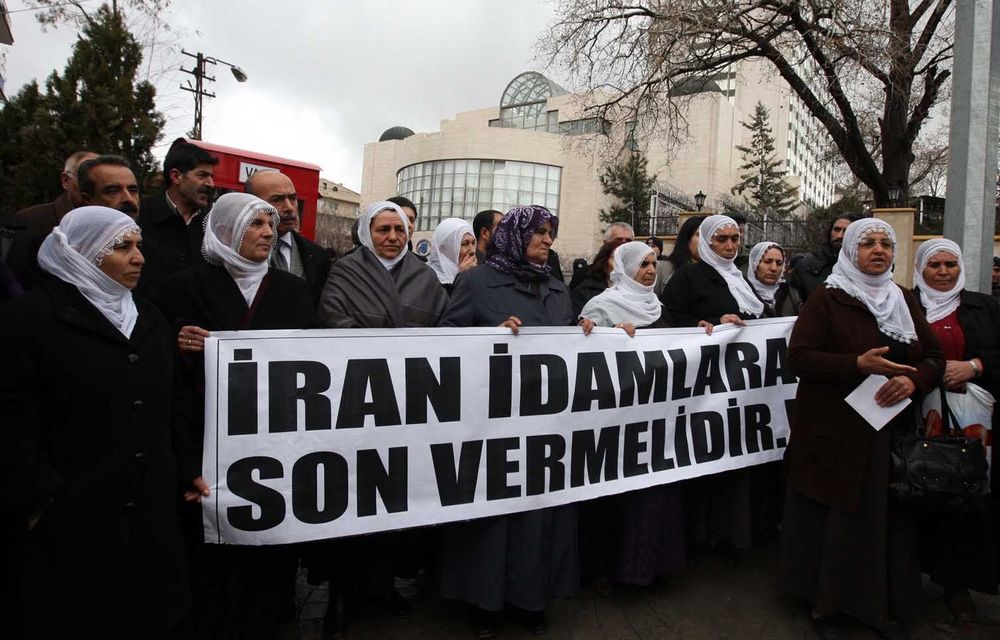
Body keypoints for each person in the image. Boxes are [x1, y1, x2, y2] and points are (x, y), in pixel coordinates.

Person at [0, 206, 190, 638]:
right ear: (82, 253)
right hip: (69, 521)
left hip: (148, 519)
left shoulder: (150, 318)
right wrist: (37, 500)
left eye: (139, 245)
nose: (139, 257)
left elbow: (169, 406)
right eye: (123, 247)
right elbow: (12, 420)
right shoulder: (28, 320)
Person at [154, 193, 314, 640]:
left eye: (270, 223)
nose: (268, 231)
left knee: (271, 556)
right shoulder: (182, 288)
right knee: (212, 562)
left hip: (274, 445)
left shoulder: (292, 291)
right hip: (204, 443)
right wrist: (174, 339)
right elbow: (156, 370)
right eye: (255, 224)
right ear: (225, 231)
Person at [780, 218, 944, 639]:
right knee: (837, 522)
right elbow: (797, 358)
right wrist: (855, 364)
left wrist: (914, 380)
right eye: (868, 243)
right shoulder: (828, 299)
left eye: (885, 244)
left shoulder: (903, 298)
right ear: (850, 250)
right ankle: (830, 606)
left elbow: (935, 356)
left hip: (889, 431)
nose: (879, 250)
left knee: (884, 521)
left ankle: (882, 604)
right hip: (836, 433)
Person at [439, 205, 594, 638]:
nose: (548, 240)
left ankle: (530, 597)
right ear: (514, 235)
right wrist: (486, 337)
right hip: (492, 426)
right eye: (540, 232)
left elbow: (566, 340)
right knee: (492, 519)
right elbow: (446, 342)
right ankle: (483, 602)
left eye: (551, 233)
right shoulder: (474, 281)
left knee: (538, 517)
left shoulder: (557, 289)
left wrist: (591, 330)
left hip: (546, 428)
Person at [578, 241, 686, 587]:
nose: (651, 271)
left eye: (654, 263)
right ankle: (617, 570)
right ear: (624, 267)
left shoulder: (659, 306)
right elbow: (581, 350)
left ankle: (655, 565)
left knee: (656, 497)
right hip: (618, 425)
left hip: (658, 424)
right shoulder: (602, 305)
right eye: (643, 264)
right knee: (622, 500)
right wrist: (610, 337)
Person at [661, 215, 764, 558]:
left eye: (735, 239)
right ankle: (699, 538)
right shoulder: (688, 277)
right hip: (702, 392)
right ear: (706, 242)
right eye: (721, 239)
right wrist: (708, 325)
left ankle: (729, 535)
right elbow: (670, 324)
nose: (731, 246)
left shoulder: (741, 280)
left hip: (740, 391)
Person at [911, 239, 1000, 622]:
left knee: (963, 499)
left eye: (950, 264)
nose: (944, 272)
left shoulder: (984, 307)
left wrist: (975, 367)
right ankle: (904, 580)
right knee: (912, 492)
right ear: (920, 269)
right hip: (914, 420)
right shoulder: (901, 306)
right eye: (934, 265)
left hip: (971, 426)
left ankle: (957, 586)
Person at [319, 201, 447, 328]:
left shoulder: (425, 276)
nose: (392, 237)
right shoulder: (346, 271)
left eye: (399, 230)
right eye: (383, 230)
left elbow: (444, 324)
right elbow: (332, 316)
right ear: (367, 233)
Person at [245, 170, 333, 304]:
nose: (289, 207)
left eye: (292, 198)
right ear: (251, 203)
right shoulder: (234, 251)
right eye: (277, 200)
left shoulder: (318, 257)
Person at [138, 138, 218, 274]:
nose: (210, 184)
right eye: (202, 175)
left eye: (211, 176)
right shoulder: (140, 216)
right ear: (176, 176)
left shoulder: (213, 224)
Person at [14, 150, 97, 237]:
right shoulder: (29, 221)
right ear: (65, 180)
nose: (96, 188)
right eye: (87, 179)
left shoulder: (110, 224)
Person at [789, 213, 862, 301]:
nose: (839, 236)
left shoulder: (866, 269)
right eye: (836, 230)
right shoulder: (805, 267)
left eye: (846, 231)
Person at [567, 221, 634, 290]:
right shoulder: (584, 275)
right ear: (605, 243)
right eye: (618, 240)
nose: (624, 244)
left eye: (628, 240)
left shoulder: (638, 275)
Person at [746, 241, 800, 317]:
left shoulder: (791, 294)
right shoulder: (741, 293)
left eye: (779, 263)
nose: (774, 268)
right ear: (755, 264)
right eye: (767, 262)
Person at [427, 217, 476, 293]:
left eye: (473, 243)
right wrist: (461, 278)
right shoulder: (427, 279)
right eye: (464, 244)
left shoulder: (476, 274)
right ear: (445, 249)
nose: (473, 250)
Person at [657, 215, 705, 292]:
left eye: (708, 235)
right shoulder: (662, 268)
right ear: (687, 238)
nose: (704, 240)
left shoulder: (718, 272)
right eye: (699, 235)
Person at [570, 241, 616, 316]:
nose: (622, 263)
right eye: (616, 258)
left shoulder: (638, 293)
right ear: (604, 262)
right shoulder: (584, 293)